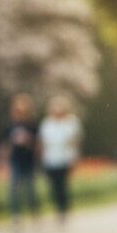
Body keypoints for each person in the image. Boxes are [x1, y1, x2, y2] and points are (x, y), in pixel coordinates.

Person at [0, 93, 40, 232]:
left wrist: (28, 141)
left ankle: (35, 213)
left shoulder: (32, 125)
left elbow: (38, 144)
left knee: (31, 190)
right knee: (14, 190)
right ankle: (16, 215)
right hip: (15, 161)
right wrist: (2, 161)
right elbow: (4, 145)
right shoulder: (9, 126)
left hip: (29, 161)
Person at [40, 95, 83, 225]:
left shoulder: (71, 122)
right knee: (54, 187)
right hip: (50, 159)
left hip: (65, 159)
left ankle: (64, 211)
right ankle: (58, 210)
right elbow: (43, 142)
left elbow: (76, 141)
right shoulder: (47, 123)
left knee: (63, 186)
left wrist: (75, 158)